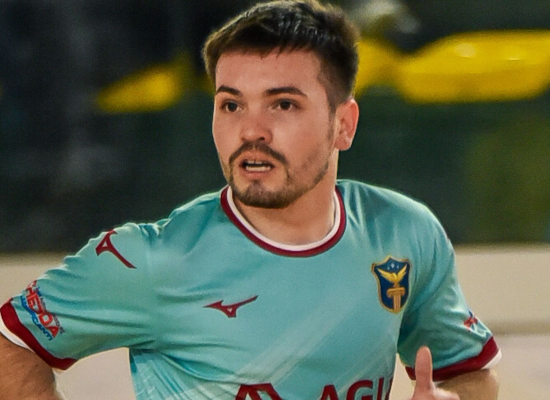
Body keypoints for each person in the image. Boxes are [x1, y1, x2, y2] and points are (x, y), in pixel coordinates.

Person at [0, 1, 500, 399]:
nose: (251, 130)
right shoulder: (152, 259)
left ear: (343, 125)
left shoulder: (404, 232)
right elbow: (11, 347)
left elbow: (469, 373)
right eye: (231, 104)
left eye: (283, 104)